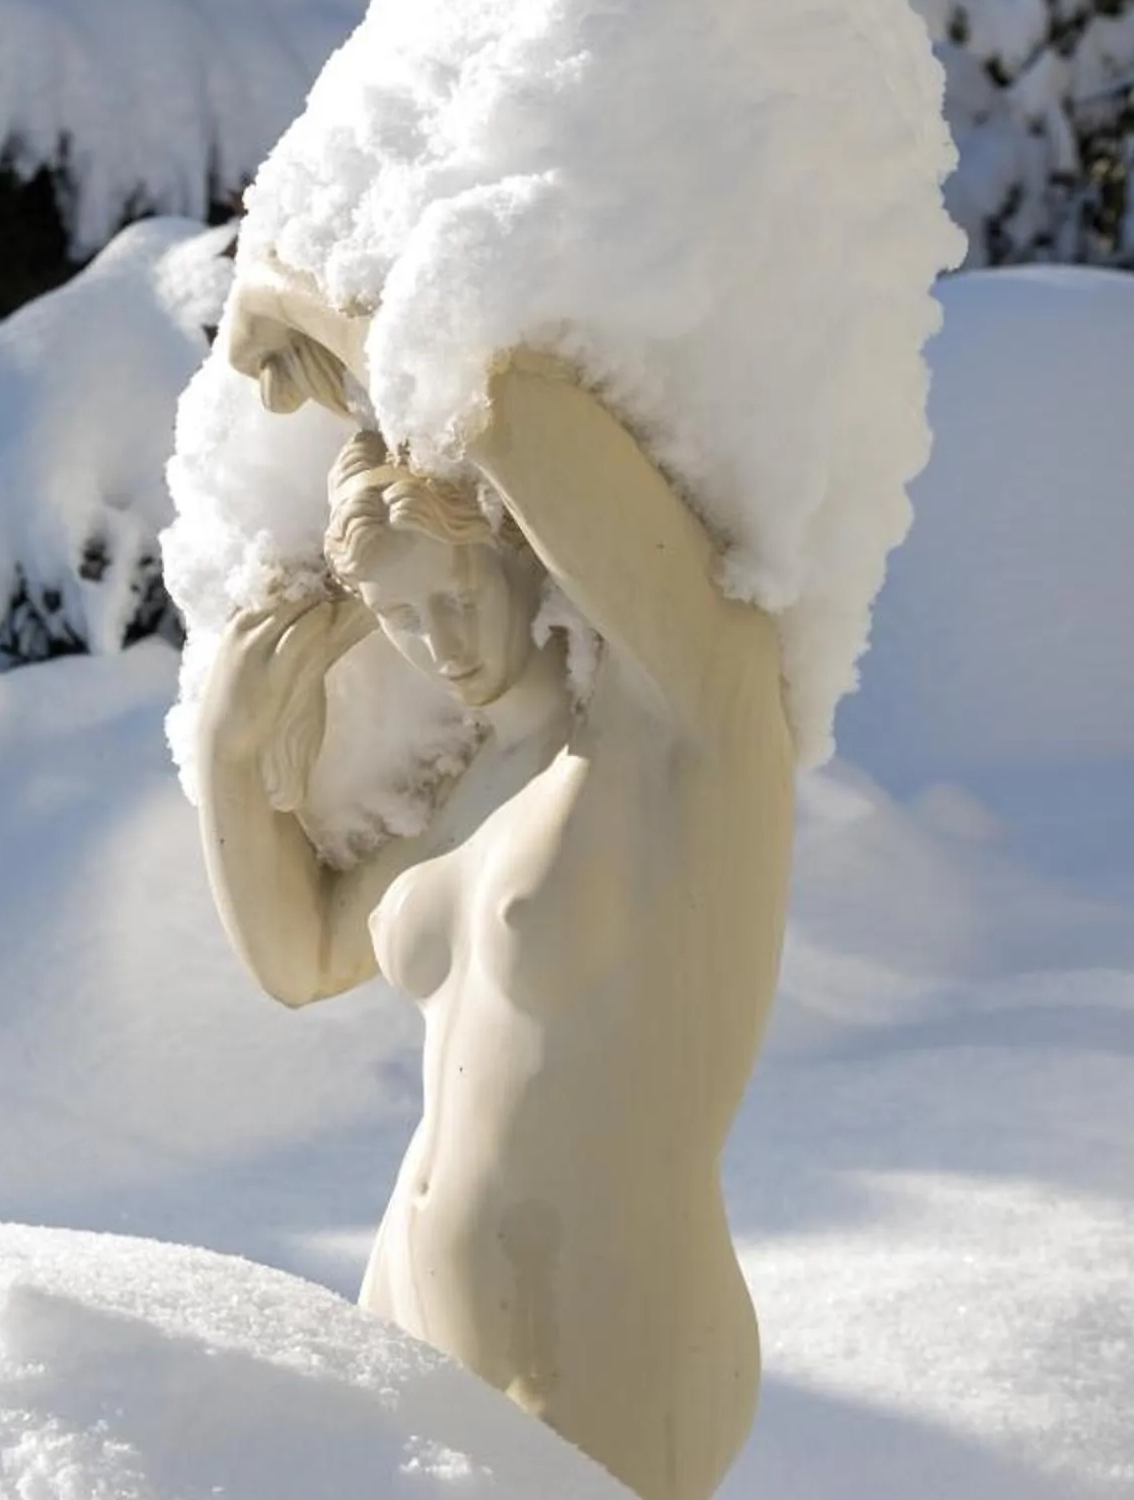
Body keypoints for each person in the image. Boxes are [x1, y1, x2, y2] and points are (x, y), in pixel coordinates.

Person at [193, 295, 796, 1500]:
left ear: (524, 545)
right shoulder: (478, 787)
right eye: (401, 619)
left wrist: (314, 296)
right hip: (413, 1317)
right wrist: (229, 756)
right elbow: (302, 955)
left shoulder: (687, 719)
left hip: (612, 1331)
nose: (440, 641)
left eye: (459, 593)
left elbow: (512, 407)